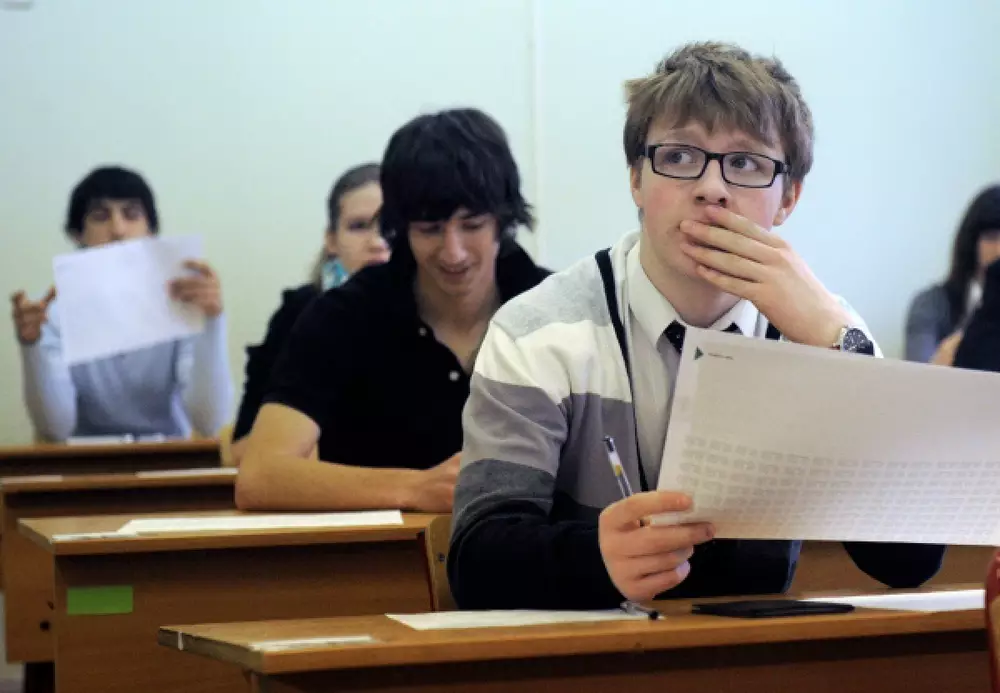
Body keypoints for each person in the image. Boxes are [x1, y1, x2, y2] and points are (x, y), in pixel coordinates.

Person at [448, 42, 945, 610]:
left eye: (746, 163)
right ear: (636, 179)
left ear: (788, 198)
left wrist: (840, 352)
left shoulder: (827, 330)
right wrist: (597, 558)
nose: (712, 188)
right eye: (681, 156)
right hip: (587, 644)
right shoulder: (538, 330)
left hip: (759, 647)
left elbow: (908, 561)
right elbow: (476, 562)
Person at [235, 108, 550, 512]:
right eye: (430, 230)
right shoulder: (343, 316)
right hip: (382, 551)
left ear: (502, 220)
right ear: (402, 228)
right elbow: (260, 476)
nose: (453, 252)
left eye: (472, 225)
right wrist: (416, 488)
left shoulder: (555, 309)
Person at [11, 165, 233, 442]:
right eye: (100, 216)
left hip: (169, 456)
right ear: (77, 234)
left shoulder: (183, 302)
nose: (118, 230)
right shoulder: (52, 314)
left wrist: (212, 322)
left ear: (151, 231)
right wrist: (31, 346)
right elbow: (56, 428)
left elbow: (210, 421)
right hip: (85, 459)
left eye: (132, 214)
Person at [229, 164, 388, 463]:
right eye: (358, 226)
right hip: (321, 485)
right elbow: (240, 449)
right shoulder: (298, 313)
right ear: (331, 240)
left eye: (391, 224)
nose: (377, 242)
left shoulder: (440, 312)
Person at [905, 185, 1000, 365]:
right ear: (971, 241)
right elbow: (918, 373)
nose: (999, 250)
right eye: (991, 237)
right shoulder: (930, 304)